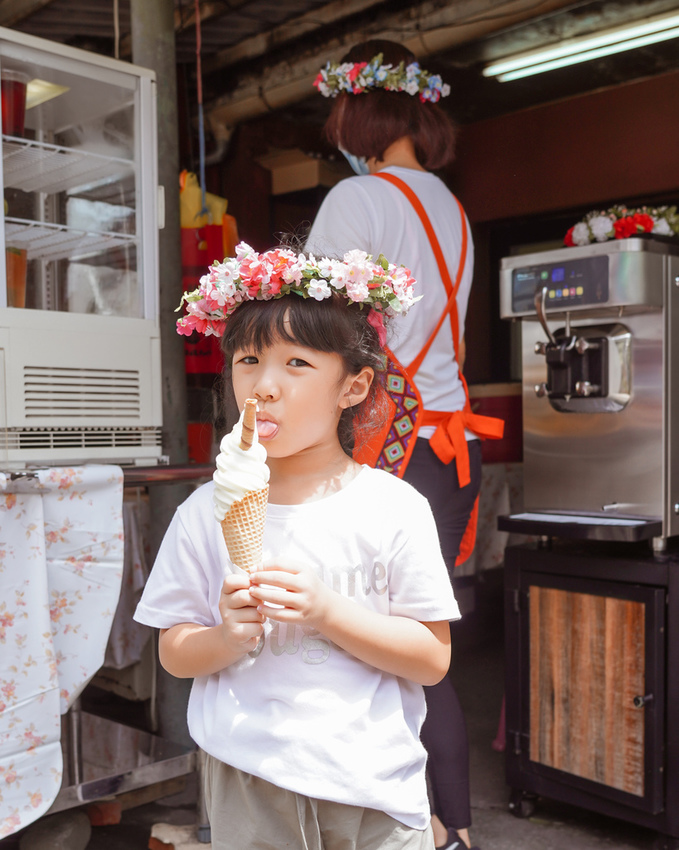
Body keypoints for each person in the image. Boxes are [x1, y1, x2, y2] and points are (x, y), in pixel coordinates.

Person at [134, 243, 462, 850]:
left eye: (297, 365)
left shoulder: (393, 508)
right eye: (248, 359)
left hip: (374, 785)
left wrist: (329, 612)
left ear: (354, 386)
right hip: (248, 780)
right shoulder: (203, 513)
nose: (264, 385)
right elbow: (175, 652)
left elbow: (431, 658)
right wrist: (225, 637)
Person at [306, 40, 503, 850]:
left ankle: (382, 826)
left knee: (359, 642)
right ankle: (451, 829)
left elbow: (313, 333)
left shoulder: (358, 202)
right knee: (427, 647)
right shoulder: (450, 208)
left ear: (362, 112)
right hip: (448, 444)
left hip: (387, 444)